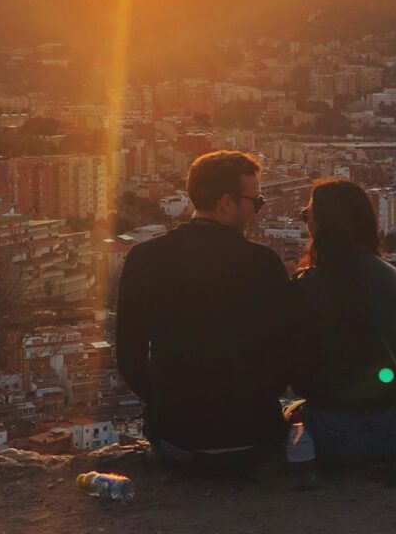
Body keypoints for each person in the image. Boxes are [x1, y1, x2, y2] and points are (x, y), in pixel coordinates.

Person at [115, 150, 292, 471]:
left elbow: (129, 354)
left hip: (176, 441)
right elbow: (286, 351)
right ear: (227, 203)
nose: (257, 209)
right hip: (253, 438)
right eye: (257, 201)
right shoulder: (264, 264)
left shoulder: (144, 258)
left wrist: (166, 403)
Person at [290, 178, 396, 465]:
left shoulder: (304, 287)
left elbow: (295, 371)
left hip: (329, 433)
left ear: (321, 224)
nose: (304, 222)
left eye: (306, 216)